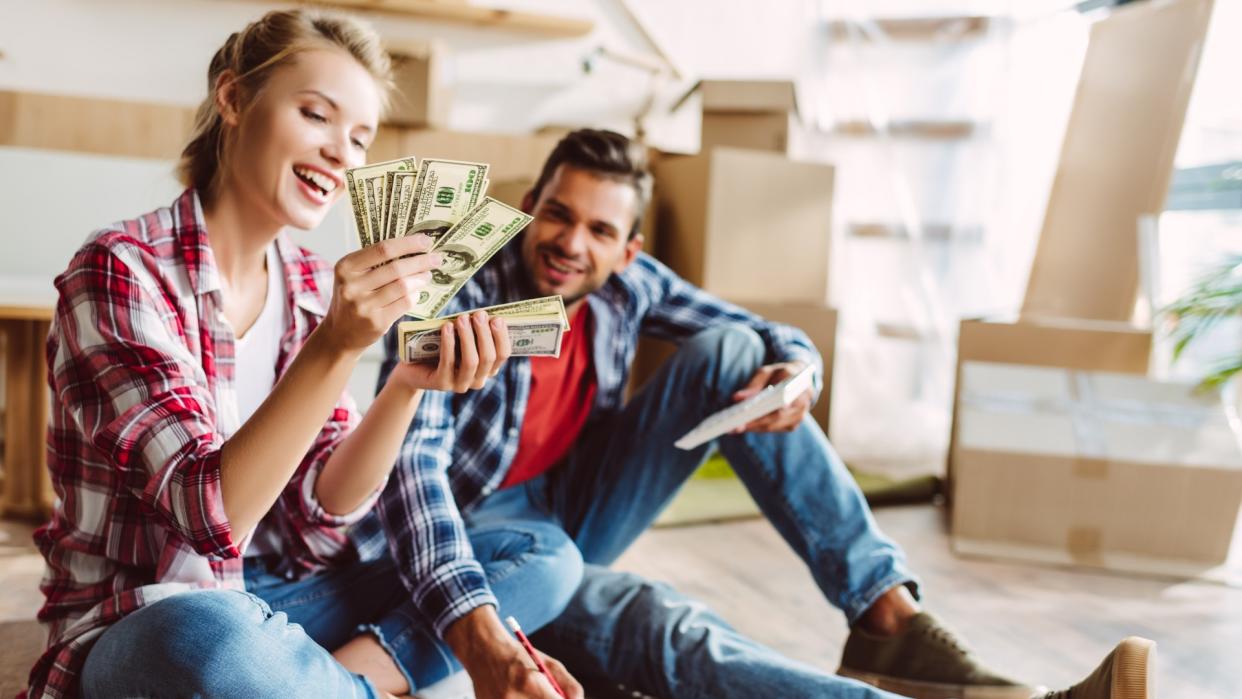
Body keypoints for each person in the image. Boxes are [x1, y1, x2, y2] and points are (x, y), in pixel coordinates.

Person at [362, 128, 1159, 699]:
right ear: (529, 205)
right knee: (664, 624)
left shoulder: (626, 287)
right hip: (487, 537)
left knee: (736, 353)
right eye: (558, 214)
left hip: (572, 504)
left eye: (599, 229)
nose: (571, 241)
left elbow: (765, 333)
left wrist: (799, 372)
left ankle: (887, 611)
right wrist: (473, 620)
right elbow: (413, 478)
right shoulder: (457, 294)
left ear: (629, 249)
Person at [26, 10, 581, 699]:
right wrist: (336, 345)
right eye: (317, 115)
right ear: (232, 97)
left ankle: (330, 682)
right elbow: (211, 520)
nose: (342, 153)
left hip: (277, 595)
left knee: (542, 555)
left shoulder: (313, 284)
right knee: (208, 642)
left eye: (358, 138)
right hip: (150, 615)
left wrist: (405, 386)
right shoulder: (119, 269)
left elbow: (318, 520)